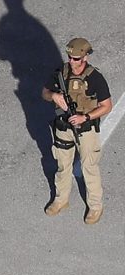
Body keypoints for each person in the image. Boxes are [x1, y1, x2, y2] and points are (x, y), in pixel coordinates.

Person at [43, 38, 114, 224]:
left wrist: (86, 117)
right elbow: (44, 92)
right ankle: (61, 200)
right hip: (63, 127)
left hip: (85, 129)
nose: (72, 61)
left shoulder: (94, 78)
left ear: (85, 57)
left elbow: (106, 106)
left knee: (89, 167)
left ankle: (95, 206)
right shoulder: (61, 73)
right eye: (70, 57)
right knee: (62, 165)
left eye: (76, 58)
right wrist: (54, 96)